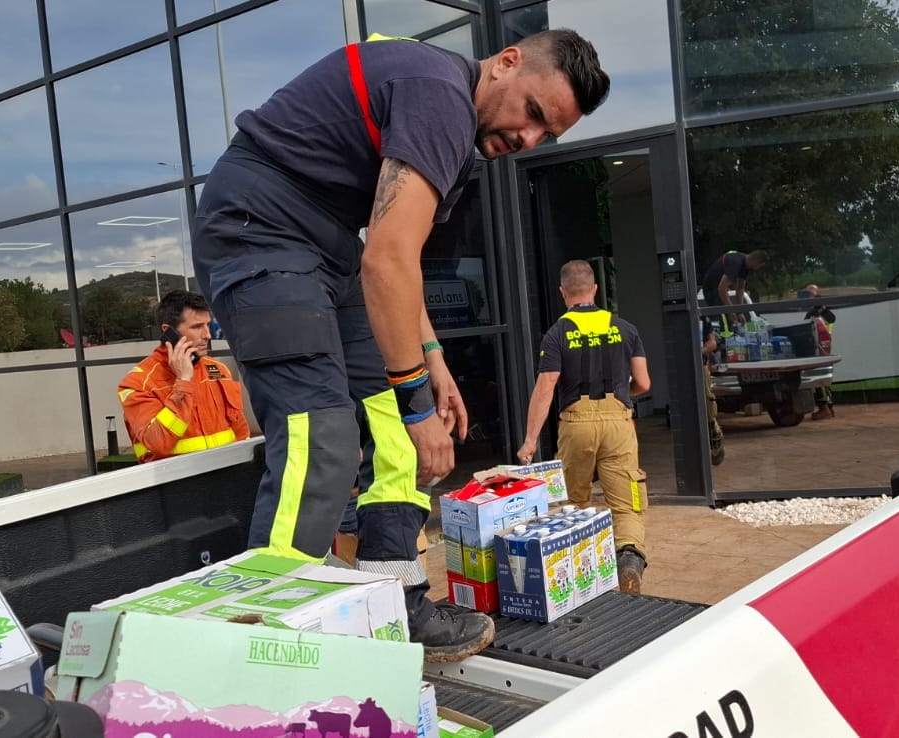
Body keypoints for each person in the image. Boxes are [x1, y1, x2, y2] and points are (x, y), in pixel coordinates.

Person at [191, 31, 610, 661]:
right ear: (507, 62)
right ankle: (258, 641)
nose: (528, 140)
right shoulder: (438, 95)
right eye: (533, 114)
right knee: (321, 436)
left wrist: (432, 365)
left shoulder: (460, 139)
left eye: (546, 136)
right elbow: (386, 261)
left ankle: (393, 604)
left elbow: (398, 257)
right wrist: (416, 402)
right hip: (260, 227)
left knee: (393, 430)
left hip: (329, 248)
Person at [516, 261, 650, 593]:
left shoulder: (557, 333)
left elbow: (546, 388)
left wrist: (530, 441)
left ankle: (579, 572)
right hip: (619, 422)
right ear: (595, 289)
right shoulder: (625, 328)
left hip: (576, 424)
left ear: (563, 293)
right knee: (626, 502)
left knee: (572, 501)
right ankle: (630, 557)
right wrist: (621, 399)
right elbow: (644, 383)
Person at [118, 291, 251, 463]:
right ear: (169, 331)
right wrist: (183, 382)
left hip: (227, 476)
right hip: (176, 484)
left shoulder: (217, 369)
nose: (207, 335)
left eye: (207, 325)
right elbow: (157, 443)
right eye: (196, 327)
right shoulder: (137, 383)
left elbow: (241, 432)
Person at [700, 249, 768, 334]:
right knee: (725, 314)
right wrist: (730, 310)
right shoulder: (736, 263)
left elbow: (740, 289)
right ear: (756, 261)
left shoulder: (745, 266)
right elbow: (721, 288)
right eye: (759, 266)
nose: (758, 269)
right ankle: (727, 340)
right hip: (711, 289)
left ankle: (732, 337)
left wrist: (740, 312)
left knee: (729, 313)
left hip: (720, 288)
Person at [799, 284, 837, 420]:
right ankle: (829, 407)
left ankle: (824, 408)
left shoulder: (819, 310)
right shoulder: (818, 310)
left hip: (819, 347)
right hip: (823, 347)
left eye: (809, 294)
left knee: (818, 379)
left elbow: (828, 321)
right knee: (824, 379)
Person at [701, 319, 725, 465]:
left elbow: (712, 343)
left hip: (700, 365)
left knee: (707, 401)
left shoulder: (702, 319)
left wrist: (700, 350)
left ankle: (716, 443)